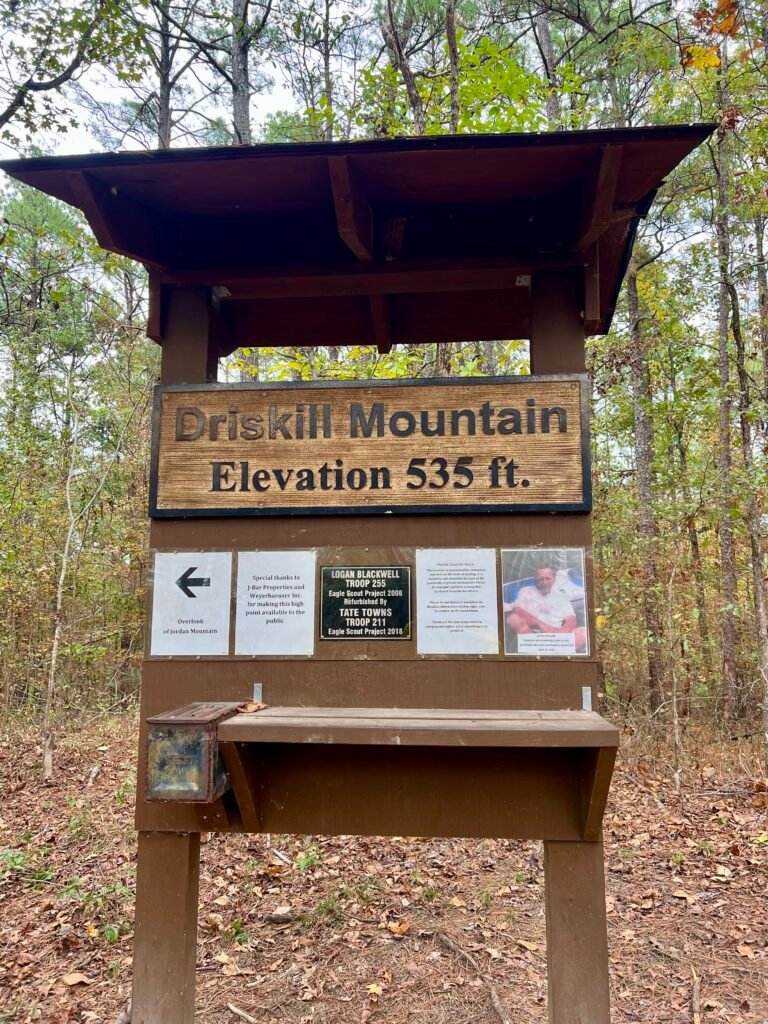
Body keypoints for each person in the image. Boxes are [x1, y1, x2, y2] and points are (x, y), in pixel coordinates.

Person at [504, 565, 587, 652]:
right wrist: (542, 626)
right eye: (541, 579)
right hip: (532, 635)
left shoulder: (562, 597)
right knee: (513, 618)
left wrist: (559, 635)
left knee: (583, 632)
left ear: (554, 579)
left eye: (548, 579)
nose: (544, 582)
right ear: (535, 580)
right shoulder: (526, 591)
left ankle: (543, 651)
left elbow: (571, 620)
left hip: (556, 635)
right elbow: (517, 610)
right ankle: (544, 650)